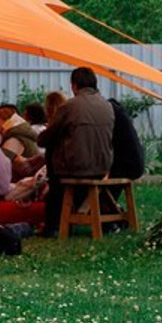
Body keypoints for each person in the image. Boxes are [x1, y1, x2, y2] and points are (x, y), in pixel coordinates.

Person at [37, 67, 114, 237]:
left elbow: (47, 137)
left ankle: (53, 225)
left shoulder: (70, 106)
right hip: (102, 168)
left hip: (76, 168)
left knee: (52, 151)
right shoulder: (107, 105)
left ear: (74, 86)